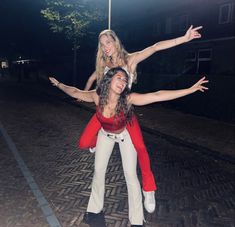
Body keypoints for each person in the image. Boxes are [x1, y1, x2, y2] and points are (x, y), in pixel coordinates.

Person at [49, 67, 208, 227]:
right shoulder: (97, 96)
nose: (122, 83)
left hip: (125, 137)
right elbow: (74, 91)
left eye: (125, 81)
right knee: (98, 171)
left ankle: (137, 221)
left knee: (130, 176)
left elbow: (157, 95)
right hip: (105, 135)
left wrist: (190, 89)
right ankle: (94, 209)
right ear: (109, 79)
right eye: (119, 78)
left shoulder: (128, 99)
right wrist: (58, 84)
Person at [78, 26, 202, 213]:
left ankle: (149, 189)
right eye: (102, 44)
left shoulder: (130, 60)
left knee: (141, 148)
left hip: (123, 112)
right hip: (104, 112)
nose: (105, 47)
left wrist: (183, 39)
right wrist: (85, 90)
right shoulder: (104, 63)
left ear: (116, 42)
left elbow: (155, 47)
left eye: (108, 42)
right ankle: (96, 143)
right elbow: (93, 77)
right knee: (85, 142)